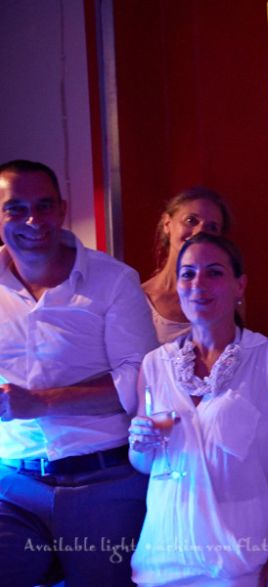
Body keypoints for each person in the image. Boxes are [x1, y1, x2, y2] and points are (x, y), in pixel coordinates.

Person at [0, 159, 157, 586]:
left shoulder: (113, 280)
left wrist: (39, 402)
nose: (33, 220)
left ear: (62, 209)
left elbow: (140, 380)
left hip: (102, 480)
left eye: (44, 206)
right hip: (12, 483)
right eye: (16, 209)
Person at [128, 233, 268, 586]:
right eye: (188, 274)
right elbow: (146, 464)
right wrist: (139, 444)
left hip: (242, 558)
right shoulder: (154, 365)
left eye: (214, 272)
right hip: (164, 557)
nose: (198, 284)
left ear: (240, 285)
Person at [142, 187, 233, 343]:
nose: (200, 231)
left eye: (212, 227)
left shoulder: (226, 293)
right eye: (191, 221)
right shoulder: (141, 298)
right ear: (167, 223)